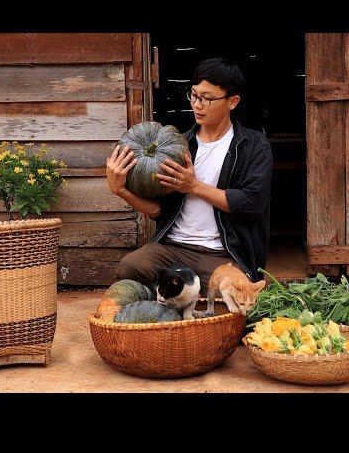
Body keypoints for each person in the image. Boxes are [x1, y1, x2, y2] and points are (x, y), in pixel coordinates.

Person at [106, 57, 273, 296]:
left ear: (232, 101)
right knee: (130, 267)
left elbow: (252, 204)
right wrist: (121, 190)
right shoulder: (180, 145)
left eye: (207, 98)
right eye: (193, 95)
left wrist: (194, 186)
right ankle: (186, 293)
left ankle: (185, 293)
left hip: (222, 254)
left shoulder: (253, 146)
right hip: (174, 249)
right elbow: (159, 211)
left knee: (236, 292)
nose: (197, 104)